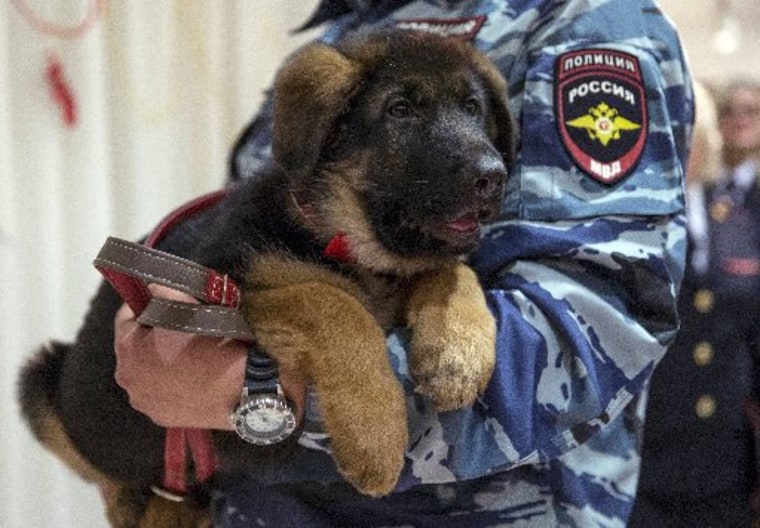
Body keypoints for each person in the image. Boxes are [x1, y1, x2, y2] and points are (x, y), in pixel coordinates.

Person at [113, 1, 694, 526]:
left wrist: (265, 396)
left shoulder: (584, 23)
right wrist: (166, 327)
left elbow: (595, 330)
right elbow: (259, 247)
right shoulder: (344, 32)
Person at [630, 78, 760, 527]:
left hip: (725, 448)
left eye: (691, 135)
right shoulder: (633, 224)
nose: (683, 149)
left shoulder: (737, 213)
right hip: (649, 446)